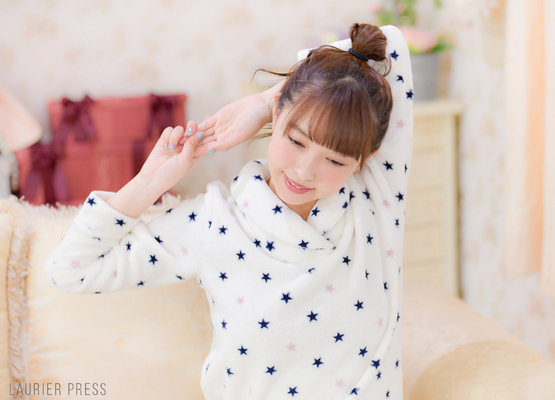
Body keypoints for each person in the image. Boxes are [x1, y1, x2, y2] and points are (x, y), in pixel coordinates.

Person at [45, 23, 413, 400]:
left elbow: (391, 49)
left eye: (334, 160)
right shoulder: (213, 222)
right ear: (278, 115)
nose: (305, 171)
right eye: (296, 141)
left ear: (366, 158)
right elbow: (69, 270)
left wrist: (261, 103)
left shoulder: (375, 202)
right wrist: (149, 183)